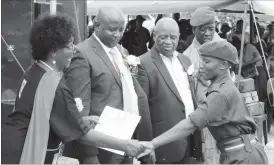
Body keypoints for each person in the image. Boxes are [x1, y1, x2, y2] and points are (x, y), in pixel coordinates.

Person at [1, 13, 144, 164]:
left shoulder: (34, 71)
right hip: (28, 153)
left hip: (15, 145)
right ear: (54, 51)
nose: (74, 50)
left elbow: (45, 113)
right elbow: (81, 134)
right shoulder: (52, 84)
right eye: (69, 46)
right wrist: (124, 145)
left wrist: (79, 119)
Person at [139, 40, 269, 164]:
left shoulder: (220, 94)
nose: (201, 65)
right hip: (240, 152)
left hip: (243, 157)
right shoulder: (223, 86)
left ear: (223, 65)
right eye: (201, 60)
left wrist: (153, 143)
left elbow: (190, 124)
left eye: (207, 62)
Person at [65, 6, 153, 164]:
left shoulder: (120, 51)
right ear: (97, 26)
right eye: (112, 30)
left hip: (127, 141)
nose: (118, 34)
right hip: (101, 149)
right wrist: (89, 156)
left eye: (121, 29)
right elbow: (80, 113)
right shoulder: (82, 54)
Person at [137, 17, 202, 164]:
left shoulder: (185, 60)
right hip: (163, 141)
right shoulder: (143, 63)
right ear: (154, 36)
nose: (168, 42)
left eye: (173, 37)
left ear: (179, 37)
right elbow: (142, 109)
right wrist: (146, 144)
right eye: (163, 37)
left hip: (190, 136)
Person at [183, 6, 223, 164]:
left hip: (226, 114)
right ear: (194, 29)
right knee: (210, 157)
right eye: (202, 29)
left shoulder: (222, 45)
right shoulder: (187, 56)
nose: (207, 33)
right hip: (206, 118)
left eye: (211, 29)